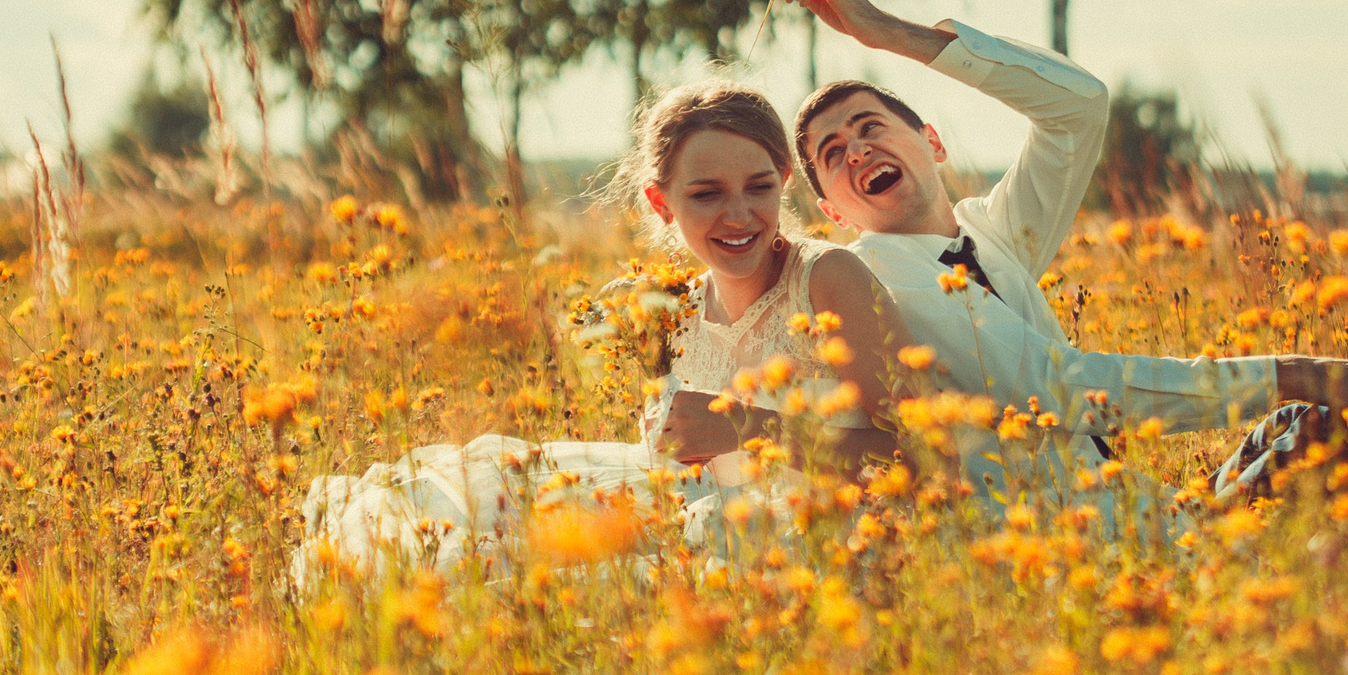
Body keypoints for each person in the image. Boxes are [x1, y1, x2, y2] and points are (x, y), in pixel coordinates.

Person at [768, 0, 1348, 511]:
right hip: (1079, 561)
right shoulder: (876, 284)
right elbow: (1059, 385)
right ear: (833, 212)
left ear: (932, 143)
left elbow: (1078, 108)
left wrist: (886, 31)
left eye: (869, 128)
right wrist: (1299, 372)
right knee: (1341, 406)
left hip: (1146, 512)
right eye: (832, 154)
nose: (855, 150)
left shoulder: (990, 230)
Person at [294, 80, 927, 583]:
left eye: (759, 187)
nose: (739, 215)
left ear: (785, 182)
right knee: (462, 524)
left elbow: (927, 461)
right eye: (706, 195)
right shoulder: (679, 311)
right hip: (708, 521)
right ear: (661, 203)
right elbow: (695, 464)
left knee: (536, 581)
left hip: (830, 542)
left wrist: (750, 429)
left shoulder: (826, 278)